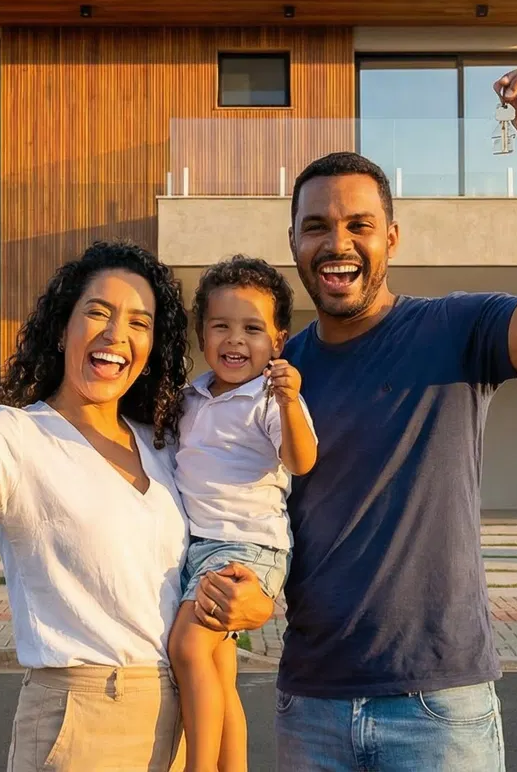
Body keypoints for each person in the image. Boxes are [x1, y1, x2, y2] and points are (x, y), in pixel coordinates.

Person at [274, 67, 517, 770]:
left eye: (360, 225)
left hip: (439, 705)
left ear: (393, 239)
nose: (337, 242)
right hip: (310, 701)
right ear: (292, 241)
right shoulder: (275, 372)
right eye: (316, 226)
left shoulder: (456, 331)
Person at [0, 240, 276, 772]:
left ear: (151, 350)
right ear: (61, 330)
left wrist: (254, 605)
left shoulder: (165, 443)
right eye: (98, 312)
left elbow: (226, 544)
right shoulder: (17, 434)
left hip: (187, 724)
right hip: (87, 724)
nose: (115, 334)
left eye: (139, 323)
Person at [166, 255, 318, 772]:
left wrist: (292, 402)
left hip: (247, 545)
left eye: (252, 329)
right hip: (201, 546)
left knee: (188, 648)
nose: (235, 340)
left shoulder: (271, 399)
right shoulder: (192, 397)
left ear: (277, 342)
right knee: (217, 668)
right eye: (221, 327)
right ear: (202, 335)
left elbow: (301, 460)